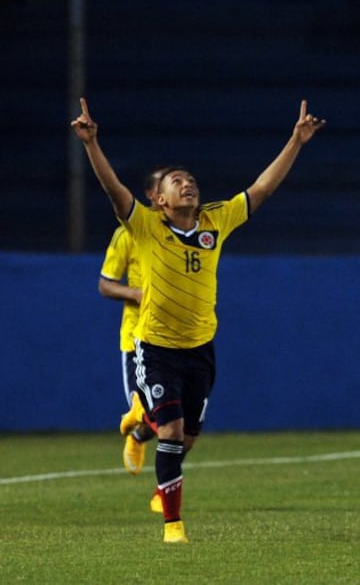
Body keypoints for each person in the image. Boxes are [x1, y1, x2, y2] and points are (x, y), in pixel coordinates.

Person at [71, 98, 325, 543]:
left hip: (201, 348)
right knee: (168, 430)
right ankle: (174, 526)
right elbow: (114, 190)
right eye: (176, 182)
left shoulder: (215, 221)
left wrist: (295, 141)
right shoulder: (145, 227)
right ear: (160, 200)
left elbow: (262, 189)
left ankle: (145, 438)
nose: (187, 185)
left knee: (186, 438)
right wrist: (92, 144)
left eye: (189, 180)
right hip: (156, 346)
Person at [98, 171, 162, 479]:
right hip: (137, 336)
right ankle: (168, 503)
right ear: (152, 194)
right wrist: (137, 293)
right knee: (160, 415)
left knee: (180, 416)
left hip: (177, 335)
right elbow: (106, 284)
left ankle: (137, 434)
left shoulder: (186, 232)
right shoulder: (129, 234)